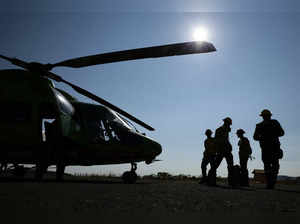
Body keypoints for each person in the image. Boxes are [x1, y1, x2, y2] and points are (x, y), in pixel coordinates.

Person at [253, 109, 284, 189]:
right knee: (273, 166)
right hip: (271, 148)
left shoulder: (260, 125)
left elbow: (255, 137)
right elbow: (281, 133)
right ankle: (271, 183)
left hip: (268, 148)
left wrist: (264, 137)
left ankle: (270, 183)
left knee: (269, 166)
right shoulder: (273, 123)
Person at [214, 117, 234, 186]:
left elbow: (226, 139)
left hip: (227, 150)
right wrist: (224, 144)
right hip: (221, 150)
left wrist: (229, 145)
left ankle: (231, 182)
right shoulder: (219, 130)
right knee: (215, 165)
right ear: (226, 123)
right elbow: (216, 140)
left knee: (230, 165)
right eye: (229, 124)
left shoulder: (226, 131)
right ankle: (211, 180)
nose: (229, 126)